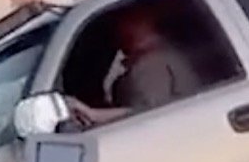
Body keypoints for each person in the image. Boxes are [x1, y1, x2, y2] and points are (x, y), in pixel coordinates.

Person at [67, 7, 199, 127]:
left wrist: (93, 114)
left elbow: (148, 116)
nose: (114, 32)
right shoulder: (165, 54)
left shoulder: (151, 64)